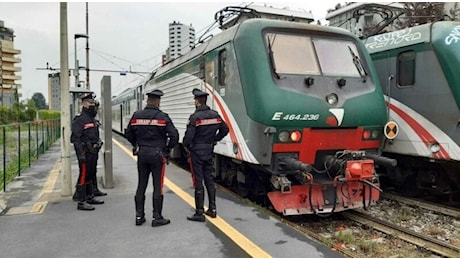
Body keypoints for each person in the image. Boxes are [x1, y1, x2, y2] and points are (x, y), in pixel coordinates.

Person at [125, 89, 179, 227]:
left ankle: (139, 216)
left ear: (147, 101)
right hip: (157, 155)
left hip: (142, 154)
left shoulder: (137, 115)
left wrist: (136, 144)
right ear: (158, 101)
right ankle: (157, 217)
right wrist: (166, 150)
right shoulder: (163, 117)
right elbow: (174, 136)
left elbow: (128, 133)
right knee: (157, 186)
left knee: (141, 185)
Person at [183, 88, 229, 222]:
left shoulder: (195, 117)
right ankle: (213, 209)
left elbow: (188, 137)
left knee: (198, 181)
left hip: (196, 152)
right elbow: (225, 129)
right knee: (209, 179)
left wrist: (187, 146)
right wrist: (215, 139)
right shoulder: (215, 115)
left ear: (197, 102)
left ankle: (199, 212)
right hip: (209, 150)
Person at [70, 92, 105, 211]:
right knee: (84, 175)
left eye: (93, 103)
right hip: (85, 152)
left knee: (90, 174)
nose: (93, 105)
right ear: (84, 104)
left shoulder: (91, 119)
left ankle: (90, 196)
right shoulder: (80, 120)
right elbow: (75, 138)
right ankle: (81, 201)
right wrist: (80, 154)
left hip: (93, 152)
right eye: (90, 103)